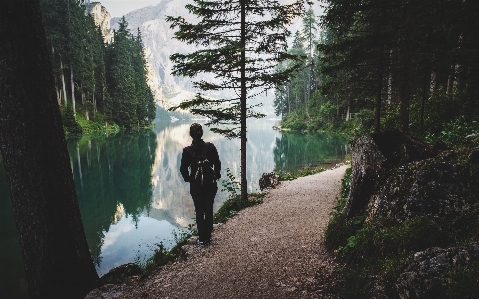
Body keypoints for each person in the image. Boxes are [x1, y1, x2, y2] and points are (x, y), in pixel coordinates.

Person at [180, 123, 221, 246]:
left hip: (196, 185)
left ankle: (202, 239)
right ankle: (208, 237)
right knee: (209, 209)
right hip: (210, 183)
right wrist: (216, 175)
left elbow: (183, 169)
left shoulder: (187, 151)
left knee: (199, 210)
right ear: (202, 133)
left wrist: (189, 179)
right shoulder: (210, 147)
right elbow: (217, 163)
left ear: (191, 135)